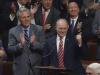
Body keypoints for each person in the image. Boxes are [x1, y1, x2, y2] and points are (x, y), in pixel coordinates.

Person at [8, 7, 45, 75]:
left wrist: (34, 43)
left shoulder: (39, 29)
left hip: (36, 68)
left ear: (31, 17)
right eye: (23, 17)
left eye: (28, 16)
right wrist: (20, 45)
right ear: (19, 19)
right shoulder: (13, 31)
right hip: (20, 68)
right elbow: (10, 49)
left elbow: (43, 47)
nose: (26, 19)